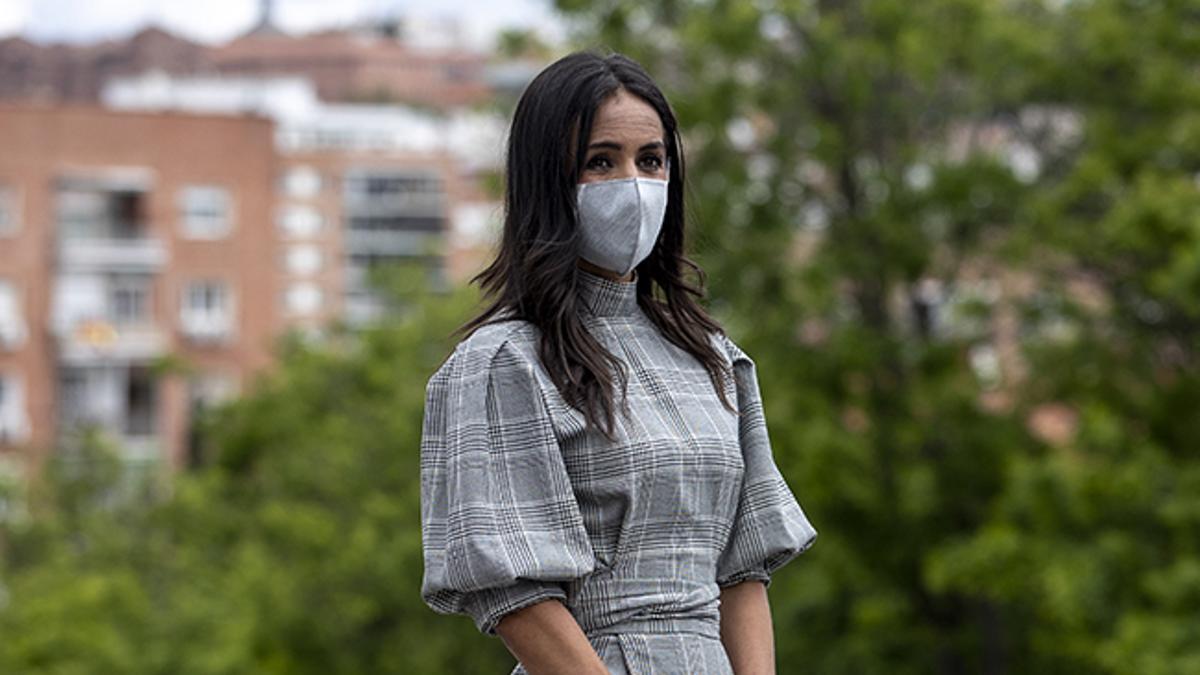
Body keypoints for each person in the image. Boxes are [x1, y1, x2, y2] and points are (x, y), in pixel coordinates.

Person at [419, 50, 818, 675]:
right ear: (548, 178)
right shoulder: (504, 362)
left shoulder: (711, 355)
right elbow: (517, 594)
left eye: (650, 161)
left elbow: (743, 569)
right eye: (600, 162)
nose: (632, 183)